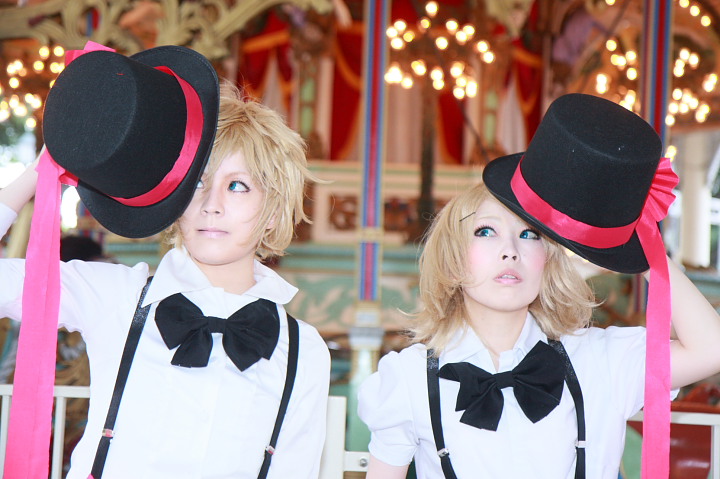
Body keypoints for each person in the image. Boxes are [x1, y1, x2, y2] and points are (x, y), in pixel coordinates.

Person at [0, 45, 329, 479]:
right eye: (198, 185)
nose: (212, 205)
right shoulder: (115, 296)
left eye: (238, 186)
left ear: (272, 212)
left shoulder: (303, 349)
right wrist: (45, 166)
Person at [357, 93, 720, 479]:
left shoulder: (602, 360)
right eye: (486, 232)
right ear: (452, 257)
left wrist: (642, 252)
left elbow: (711, 349)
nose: (510, 251)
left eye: (529, 235)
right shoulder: (408, 378)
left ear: (547, 261)